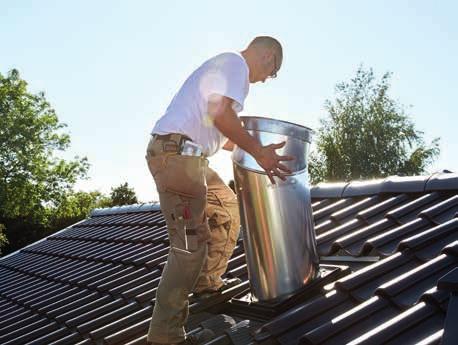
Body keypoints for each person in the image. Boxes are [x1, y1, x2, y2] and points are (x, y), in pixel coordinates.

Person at [145, 36, 293, 345]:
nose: (268, 78)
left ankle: (206, 281)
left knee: (227, 206)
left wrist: (256, 149)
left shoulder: (226, 66)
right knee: (189, 247)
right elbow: (223, 114)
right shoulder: (235, 64)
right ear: (268, 56)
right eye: (273, 70)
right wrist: (260, 151)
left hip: (188, 158)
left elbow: (224, 136)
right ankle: (165, 335)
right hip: (177, 158)